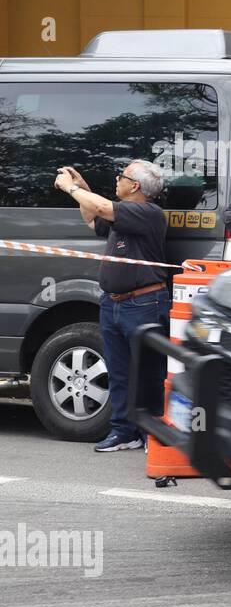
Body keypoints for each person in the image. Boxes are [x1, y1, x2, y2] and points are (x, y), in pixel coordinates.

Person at [55, 161, 171, 452]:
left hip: (143, 303)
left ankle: (151, 432)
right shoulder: (123, 213)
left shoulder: (147, 212)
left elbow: (105, 209)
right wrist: (82, 188)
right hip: (114, 303)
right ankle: (124, 431)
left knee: (148, 372)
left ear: (135, 186)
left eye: (122, 176)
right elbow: (94, 218)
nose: (116, 179)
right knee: (119, 372)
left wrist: (71, 189)